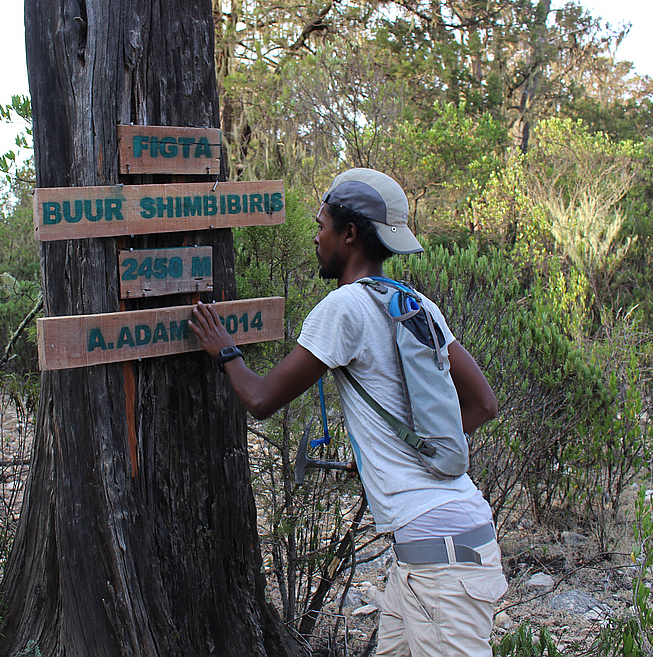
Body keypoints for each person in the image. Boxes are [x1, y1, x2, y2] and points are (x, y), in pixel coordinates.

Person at [190, 167, 507, 656]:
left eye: (321, 226)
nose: (316, 238)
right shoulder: (416, 304)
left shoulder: (343, 308)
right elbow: (483, 404)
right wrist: (407, 449)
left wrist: (224, 350)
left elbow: (260, 399)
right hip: (443, 545)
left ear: (350, 233)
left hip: (440, 562)